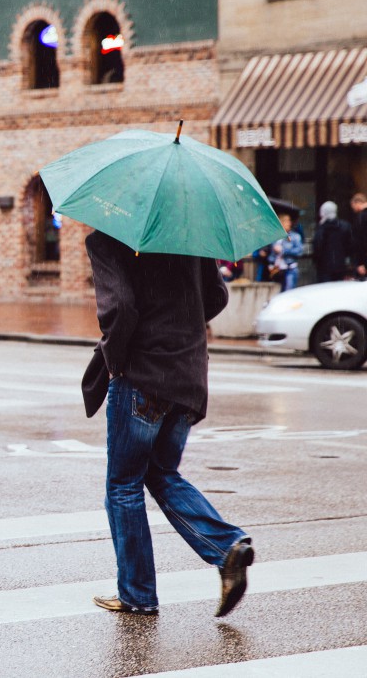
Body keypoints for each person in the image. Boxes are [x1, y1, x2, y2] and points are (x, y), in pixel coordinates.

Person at [82, 230, 254, 618]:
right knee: (160, 473)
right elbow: (217, 296)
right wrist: (176, 327)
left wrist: (116, 361)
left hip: (143, 374)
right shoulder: (190, 234)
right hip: (188, 375)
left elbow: (120, 308)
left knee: (123, 485)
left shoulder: (109, 239)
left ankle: (137, 595)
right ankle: (226, 548)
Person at [311, 201, 354, 283]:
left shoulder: (321, 228)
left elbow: (317, 246)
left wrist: (316, 261)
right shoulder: (345, 226)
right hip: (340, 264)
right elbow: (350, 246)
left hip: (324, 266)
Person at [269, 212, 303, 291]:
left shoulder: (295, 236)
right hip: (278, 270)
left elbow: (299, 251)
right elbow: (272, 254)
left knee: (288, 292)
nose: (289, 223)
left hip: (290, 269)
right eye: (286, 221)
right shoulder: (275, 237)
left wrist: (283, 250)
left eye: (289, 221)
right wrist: (271, 264)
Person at [350, 193, 367, 279]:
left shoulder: (361, 218)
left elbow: (360, 242)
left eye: (353, 205)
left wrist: (361, 263)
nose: (353, 209)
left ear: (358, 203)